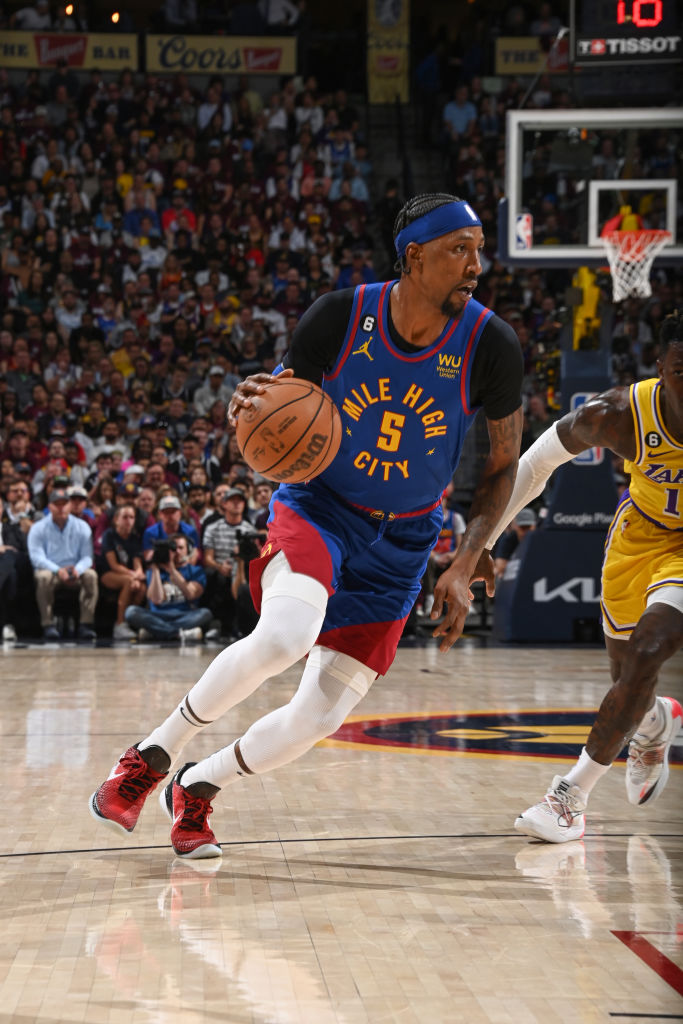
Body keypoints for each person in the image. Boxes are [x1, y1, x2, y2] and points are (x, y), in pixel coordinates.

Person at [89, 192, 523, 859]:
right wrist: (251, 404)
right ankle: (151, 755)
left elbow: (502, 465)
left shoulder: (490, 343)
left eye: (478, 250)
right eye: (458, 250)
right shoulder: (341, 316)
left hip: (405, 540)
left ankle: (197, 785)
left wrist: (469, 554)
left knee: (318, 716)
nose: (475, 265)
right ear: (413, 256)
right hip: (321, 509)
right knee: (285, 635)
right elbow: (281, 402)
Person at [484, 311, 683, 843]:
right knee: (626, 674)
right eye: (682, 371)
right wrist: (484, 542)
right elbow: (534, 465)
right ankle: (654, 721)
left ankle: (569, 798)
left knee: (647, 651)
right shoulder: (620, 414)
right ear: (661, 368)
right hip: (640, 534)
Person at [27, 487, 98, 640]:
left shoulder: (82, 526)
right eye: (56, 504)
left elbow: (87, 557)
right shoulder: (38, 528)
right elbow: (37, 558)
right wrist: (58, 570)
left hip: (75, 572)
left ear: (70, 505)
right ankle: (48, 625)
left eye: (64, 504)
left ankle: (86, 624)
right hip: (51, 571)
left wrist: (77, 570)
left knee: (91, 575)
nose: (61, 508)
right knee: (43, 577)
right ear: (49, 507)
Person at [124, 533, 212, 642]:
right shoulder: (153, 571)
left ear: (188, 550)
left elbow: (191, 594)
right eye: (174, 549)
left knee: (205, 613)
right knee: (131, 612)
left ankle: (156, 632)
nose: (177, 552)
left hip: (185, 615)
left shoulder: (196, 570)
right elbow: (156, 600)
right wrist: (155, 568)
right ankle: (178, 634)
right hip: (157, 615)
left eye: (181, 548)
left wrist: (172, 570)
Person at [97, 503, 147, 640]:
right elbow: (113, 565)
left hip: (129, 574)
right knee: (129, 582)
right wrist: (133, 575)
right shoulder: (109, 535)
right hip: (108, 574)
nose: (128, 521)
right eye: (125, 517)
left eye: (131, 517)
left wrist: (138, 573)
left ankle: (130, 622)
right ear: (116, 519)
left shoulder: (135, 538)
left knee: (141, 588)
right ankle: (120, 624)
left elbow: (137, 562)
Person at [492, 505, 537, 580]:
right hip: (513, 577)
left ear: (534, 526)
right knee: (498, 574)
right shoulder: (509, 539)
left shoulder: (539, 538)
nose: (526, 532)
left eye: (528, 527)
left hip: (533, 575)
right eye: (522, 528)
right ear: (516, 527)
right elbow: (500, 566)